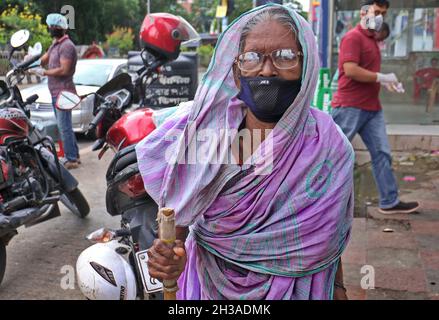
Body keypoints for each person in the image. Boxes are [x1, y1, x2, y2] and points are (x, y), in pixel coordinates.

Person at [136, 4, 354, 300]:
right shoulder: (206, 136)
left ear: (307, 68)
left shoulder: (327, 145)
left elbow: (326, 234)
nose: (267, 70)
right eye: (252, 58)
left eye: (285, 56)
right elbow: (177, 226)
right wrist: (168, 258)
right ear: (237, 72)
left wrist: (338, 287)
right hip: (208, 286)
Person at [331, 0, 419, 214]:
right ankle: (316, 202)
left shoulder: (371, 40)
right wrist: (381, 76)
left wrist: (387, 82)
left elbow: (367, 72)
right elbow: (350, 70)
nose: (380, 17)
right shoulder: (352, 37)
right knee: (332, 155)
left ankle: (389, 201)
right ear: (364, 12)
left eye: (383, 13)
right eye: (377, 12)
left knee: (382, 153)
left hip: (372, 108)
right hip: (350, 106)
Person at [33, 13, 80, 170]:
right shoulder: (55, 45)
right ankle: (75, 156)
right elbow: (43, 60)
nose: (51, 29)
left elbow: (64, 70)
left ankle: (71, 159)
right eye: (51, 26)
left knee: (64, 126)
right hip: (56, 92)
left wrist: (44, 72)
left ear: (62, 28)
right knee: (65, 125)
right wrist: (31, 60)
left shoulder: (67, 46)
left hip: (64, 92)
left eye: (55, 27)